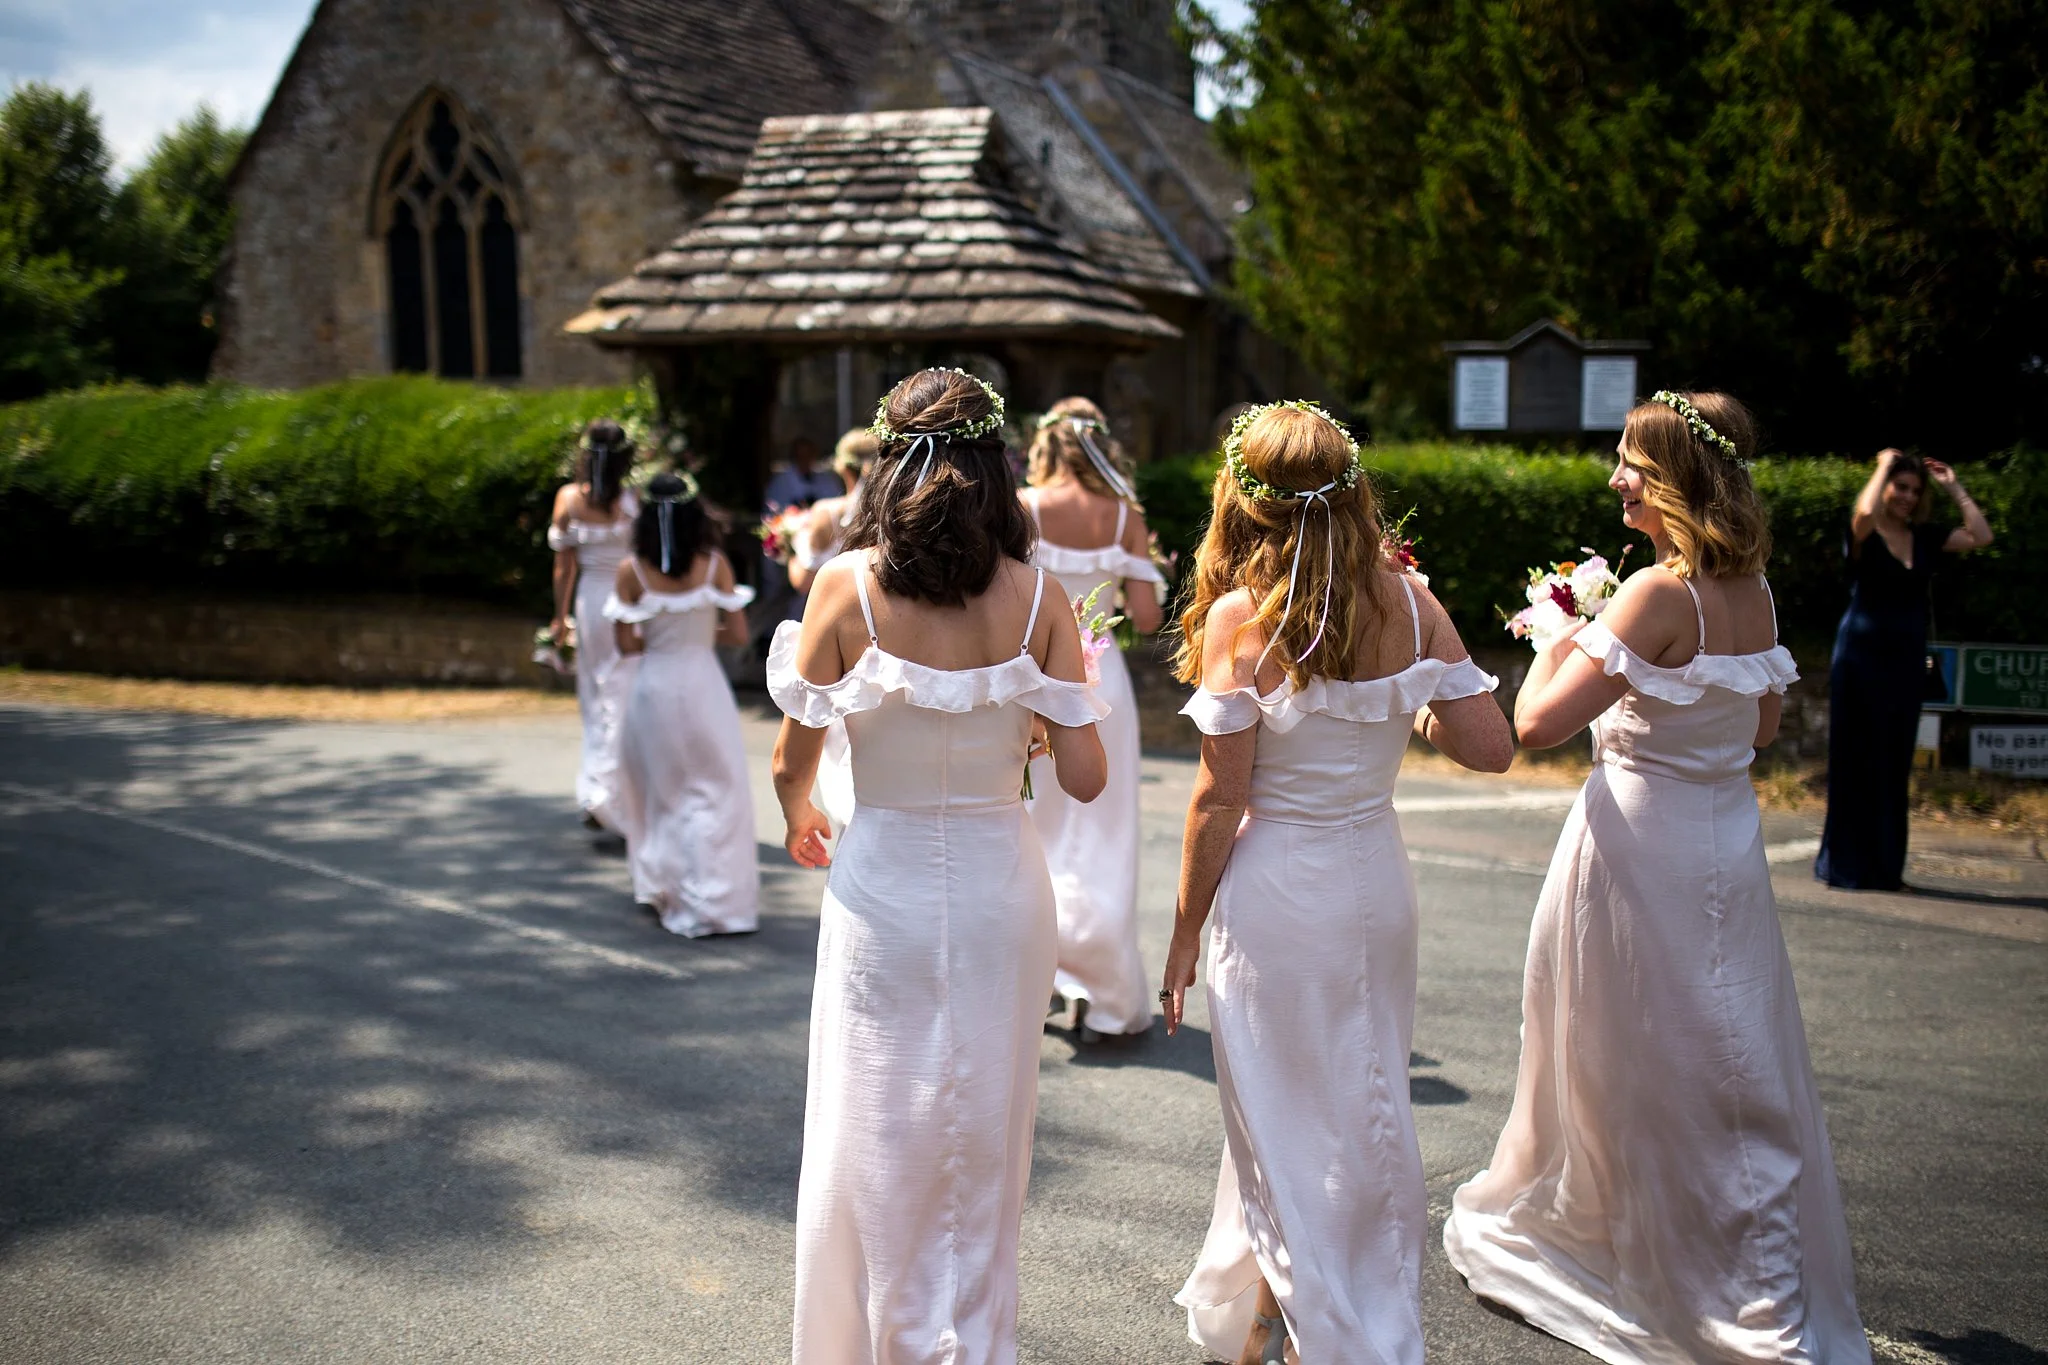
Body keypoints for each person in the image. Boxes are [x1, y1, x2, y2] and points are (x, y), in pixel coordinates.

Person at [1444, 391, 1871, 1364]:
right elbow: (1758, 731)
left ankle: (1633, 1243)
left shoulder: (1652, 596)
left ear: (1677, 475)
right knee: (1724, 1050)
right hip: (1721, 843)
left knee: (1621, 1047)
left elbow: (1535, 726)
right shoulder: (1752, 595)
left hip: (1633, 849)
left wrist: (1557, 635)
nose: (1614, 479)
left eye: (1631, 463)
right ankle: (1743, 1248)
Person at [766, 367, 1108, 1363]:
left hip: (885, 887)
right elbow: (1083, 776)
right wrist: (1034, 732)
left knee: (872, 1122)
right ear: (997, 463)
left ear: (885, 457)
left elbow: (794, 757)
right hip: (1002, 886)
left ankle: (870, 1338)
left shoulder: (842, 585)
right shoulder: (1039, 593)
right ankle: (966, 1338)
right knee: (984, 1130)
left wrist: (799, 816)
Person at [1161, 400, 1512, 1365]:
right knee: (1360, 1103)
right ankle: (1287, 1311)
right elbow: (1493, 747)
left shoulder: (1243, 618)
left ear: (1247, 498)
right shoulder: (1411, 602)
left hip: (1280, 893)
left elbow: (1217, 802)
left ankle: (1318, 1325)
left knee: (1280, 1116)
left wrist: (1186, 930)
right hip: (1375, 881)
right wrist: (1411, 704)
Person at [1022, 397, 1166, 1043]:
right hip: (1103, 683)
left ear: (1047, 443)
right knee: (1104, 836)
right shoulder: (1126, 513)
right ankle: (1107, 1000)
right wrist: (1147, 570)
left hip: (1039, 684)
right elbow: (1144, 620)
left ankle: (1040, 976)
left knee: (1036, 833)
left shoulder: (1024, 505)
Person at [1816, 448, 1994, 889]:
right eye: (1901, 487)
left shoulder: (1926, 537)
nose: (1908, 497)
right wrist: (1880, 466)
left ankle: (1885, 869)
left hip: (1905, 663)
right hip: (1859, 659)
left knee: (1894, 765)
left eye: (1916, 490)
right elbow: (1862, 511)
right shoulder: (1864, 533)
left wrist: (1953, 486)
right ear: (1887, 487)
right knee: (1855, 761)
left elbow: (1981, 535)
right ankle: (1846, 867)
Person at [605, 475, 760, 937]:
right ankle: (720, 900)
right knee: (719, 789)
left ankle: (671, 890)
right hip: (703, 687)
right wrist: (697, 627)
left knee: (663, 794)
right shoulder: (715, 565)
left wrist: (663, 628)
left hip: (655, 687)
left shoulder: (630, 571)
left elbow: (626, 644)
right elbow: (737, 634)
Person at [547, 419, 639, 831]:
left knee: (594, 697)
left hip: (589, 602)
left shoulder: (567, 499)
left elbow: (563, 568)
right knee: (623, 698)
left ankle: (595, 793)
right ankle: (614, 794)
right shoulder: (633, 501)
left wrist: (559, 616)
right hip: (625, 603)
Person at [787, 427, 879, 833]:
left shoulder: (825, 512)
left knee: (831, 728)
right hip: (877, 633)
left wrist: (789, 547)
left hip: (829, 633)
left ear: (842, 467)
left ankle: (847, 816)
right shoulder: (890, 513)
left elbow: (803, 579)